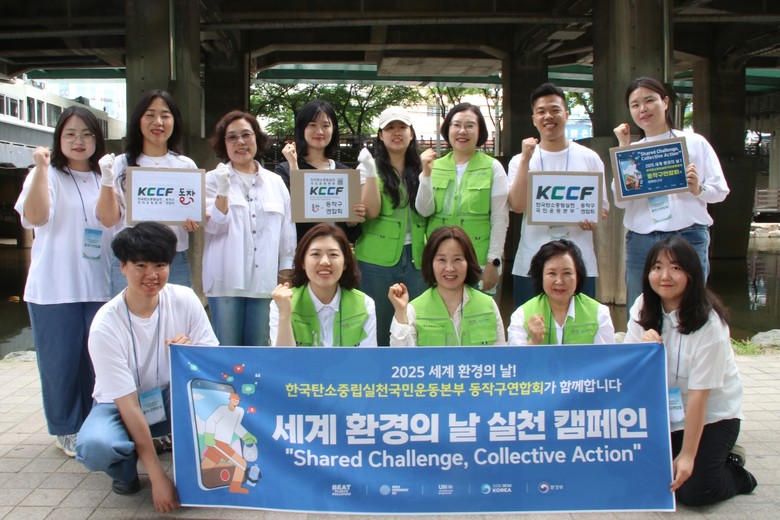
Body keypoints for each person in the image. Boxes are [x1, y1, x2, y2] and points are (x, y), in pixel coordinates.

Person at [76, 221, 218, 512]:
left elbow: (212, 367)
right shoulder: (105, 324)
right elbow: (128, 405)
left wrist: (190, 355)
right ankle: (125, 470)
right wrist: (158, 477)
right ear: (123, 267)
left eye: (160, 265)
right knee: (95, 446)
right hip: (118, 405)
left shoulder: (185, 299)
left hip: (168, 396)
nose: (151, 275)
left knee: (217, 398)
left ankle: (197, 471)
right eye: (140, 265)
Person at [624, 236, 757, 506]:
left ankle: (737, 472)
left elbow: (699, 396)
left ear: (691, 274)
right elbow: (628, 370)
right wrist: (642, 349)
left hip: (712, 416)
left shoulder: (710, 325)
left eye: (675, 268)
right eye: (657, 267)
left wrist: (687, 455)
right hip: (665, 412)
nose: (665, 276)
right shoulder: (643, 306)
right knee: (647, 478)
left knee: (694, 492)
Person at [14, 107, 114, 458]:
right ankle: (66, 428)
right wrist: (41, 168)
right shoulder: (46, 174)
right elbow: (35, 217)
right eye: (70, 134)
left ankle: (93, 423)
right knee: (60, 364)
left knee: (95, 362)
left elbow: (110, 220)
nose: (78, 141)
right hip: (54, 289)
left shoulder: (104, 175)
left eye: (86, 134)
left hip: (98, 286)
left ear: (97, 138)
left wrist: (108, 179)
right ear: (59, 138)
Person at [613, 77, 729, 307]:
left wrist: (698, 189)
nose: (643, 109)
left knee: (691, 308)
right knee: (641, 310)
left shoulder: (694, 142)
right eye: (635, 105)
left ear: (665, 102)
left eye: (649, 100)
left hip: (688, 236)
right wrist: (623, 150)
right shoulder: (630, 152)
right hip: (642, 240)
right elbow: (620, 201)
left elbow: (720, 191)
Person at [507, 82, 609, 306]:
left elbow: (601, 209)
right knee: (530, 325)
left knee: (579, 325)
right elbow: (517, 205)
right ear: (534, 118)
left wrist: (594, 218)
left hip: (579, 265)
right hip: (531, 263)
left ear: (566, 115)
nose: (548, 116)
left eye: (555, 110)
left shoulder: (589, 158)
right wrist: (525, 160)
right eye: (541, 111)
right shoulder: (520, 160)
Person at [203, 110, 296, 346]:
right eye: (232, 137)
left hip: (265, 283)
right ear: (223, 144)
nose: (240, 142)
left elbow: (287, 228)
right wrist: (223, 191)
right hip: (224, 282)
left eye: (246, 135)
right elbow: (214, 226)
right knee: (227, 351)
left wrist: (286, 270)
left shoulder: (275, 182)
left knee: (260, 351)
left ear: (257, 138)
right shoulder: (211, 180)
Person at [96, 90, 200, 296]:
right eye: (150, 115)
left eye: (165, 115)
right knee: (128, 315)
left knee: (176, 314)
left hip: (173, 259)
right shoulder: (120, 164)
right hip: (131, 258)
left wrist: (194, 221)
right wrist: (107, 180)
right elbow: (108, 220)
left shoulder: (185, 165)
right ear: (138, 121)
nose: (158, 122)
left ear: (174, 122)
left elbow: (194, 212)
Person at [355, 106, 434, 345]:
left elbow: (428, 209)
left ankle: (410, 367)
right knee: (379, 323)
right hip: (376, 261)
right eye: (390, 128)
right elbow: (371, 211)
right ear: (380, 135)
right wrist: (371, 173)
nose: (396, 132)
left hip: (418, 257)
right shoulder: (367, 166)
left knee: (416, 321)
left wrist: (426, 174)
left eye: (402, 127)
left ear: (412, 133)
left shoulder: (423, 167)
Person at [415, 102, 509, 294]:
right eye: (456, 125)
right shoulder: (434, 166)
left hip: (478, 261)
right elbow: (424, 211)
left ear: (480, 131)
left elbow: (500, 218)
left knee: (477, 311)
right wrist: (425, 174)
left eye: (470, 125)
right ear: (447, 129)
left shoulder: (493, 167)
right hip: (440, 261)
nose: (462, 131)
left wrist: (494, 262)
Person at [389, 226, 506, 346]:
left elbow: (502, 354)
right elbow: (400, 356)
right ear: (430, 263)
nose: (450, 268)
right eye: (442, 260)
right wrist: (401, 312)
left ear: (468, 262)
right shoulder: (414, 309)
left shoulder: (488, 305)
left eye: (457, 259)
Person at [270, 223, 377, 347]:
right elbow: (282, 357)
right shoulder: (282, 303)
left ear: (345, 263)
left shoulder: (365, 304)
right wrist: (285, 314)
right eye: (315, 254)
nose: (325, 262)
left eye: (333, 255)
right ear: (302, 262)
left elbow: (367, 357)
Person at [274, 99, 366, 243]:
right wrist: (294, 166)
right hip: (301, 251)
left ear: (333, 129)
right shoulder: (285, 170)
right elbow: (292, 214)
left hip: (334, 250)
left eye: (326, 125)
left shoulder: (344, 173)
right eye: (312, 125)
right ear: (302, 128)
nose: (319, 131)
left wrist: (352, 220)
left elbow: (352, 234)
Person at [507, 240, 614, 345]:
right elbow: (516, 356)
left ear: (578, 276)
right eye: (552, 273)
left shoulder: (600, 314)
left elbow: (607, 356)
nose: (559, 281)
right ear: (541, 276)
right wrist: (534, 341)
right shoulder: (521, 315)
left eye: (567, 273)